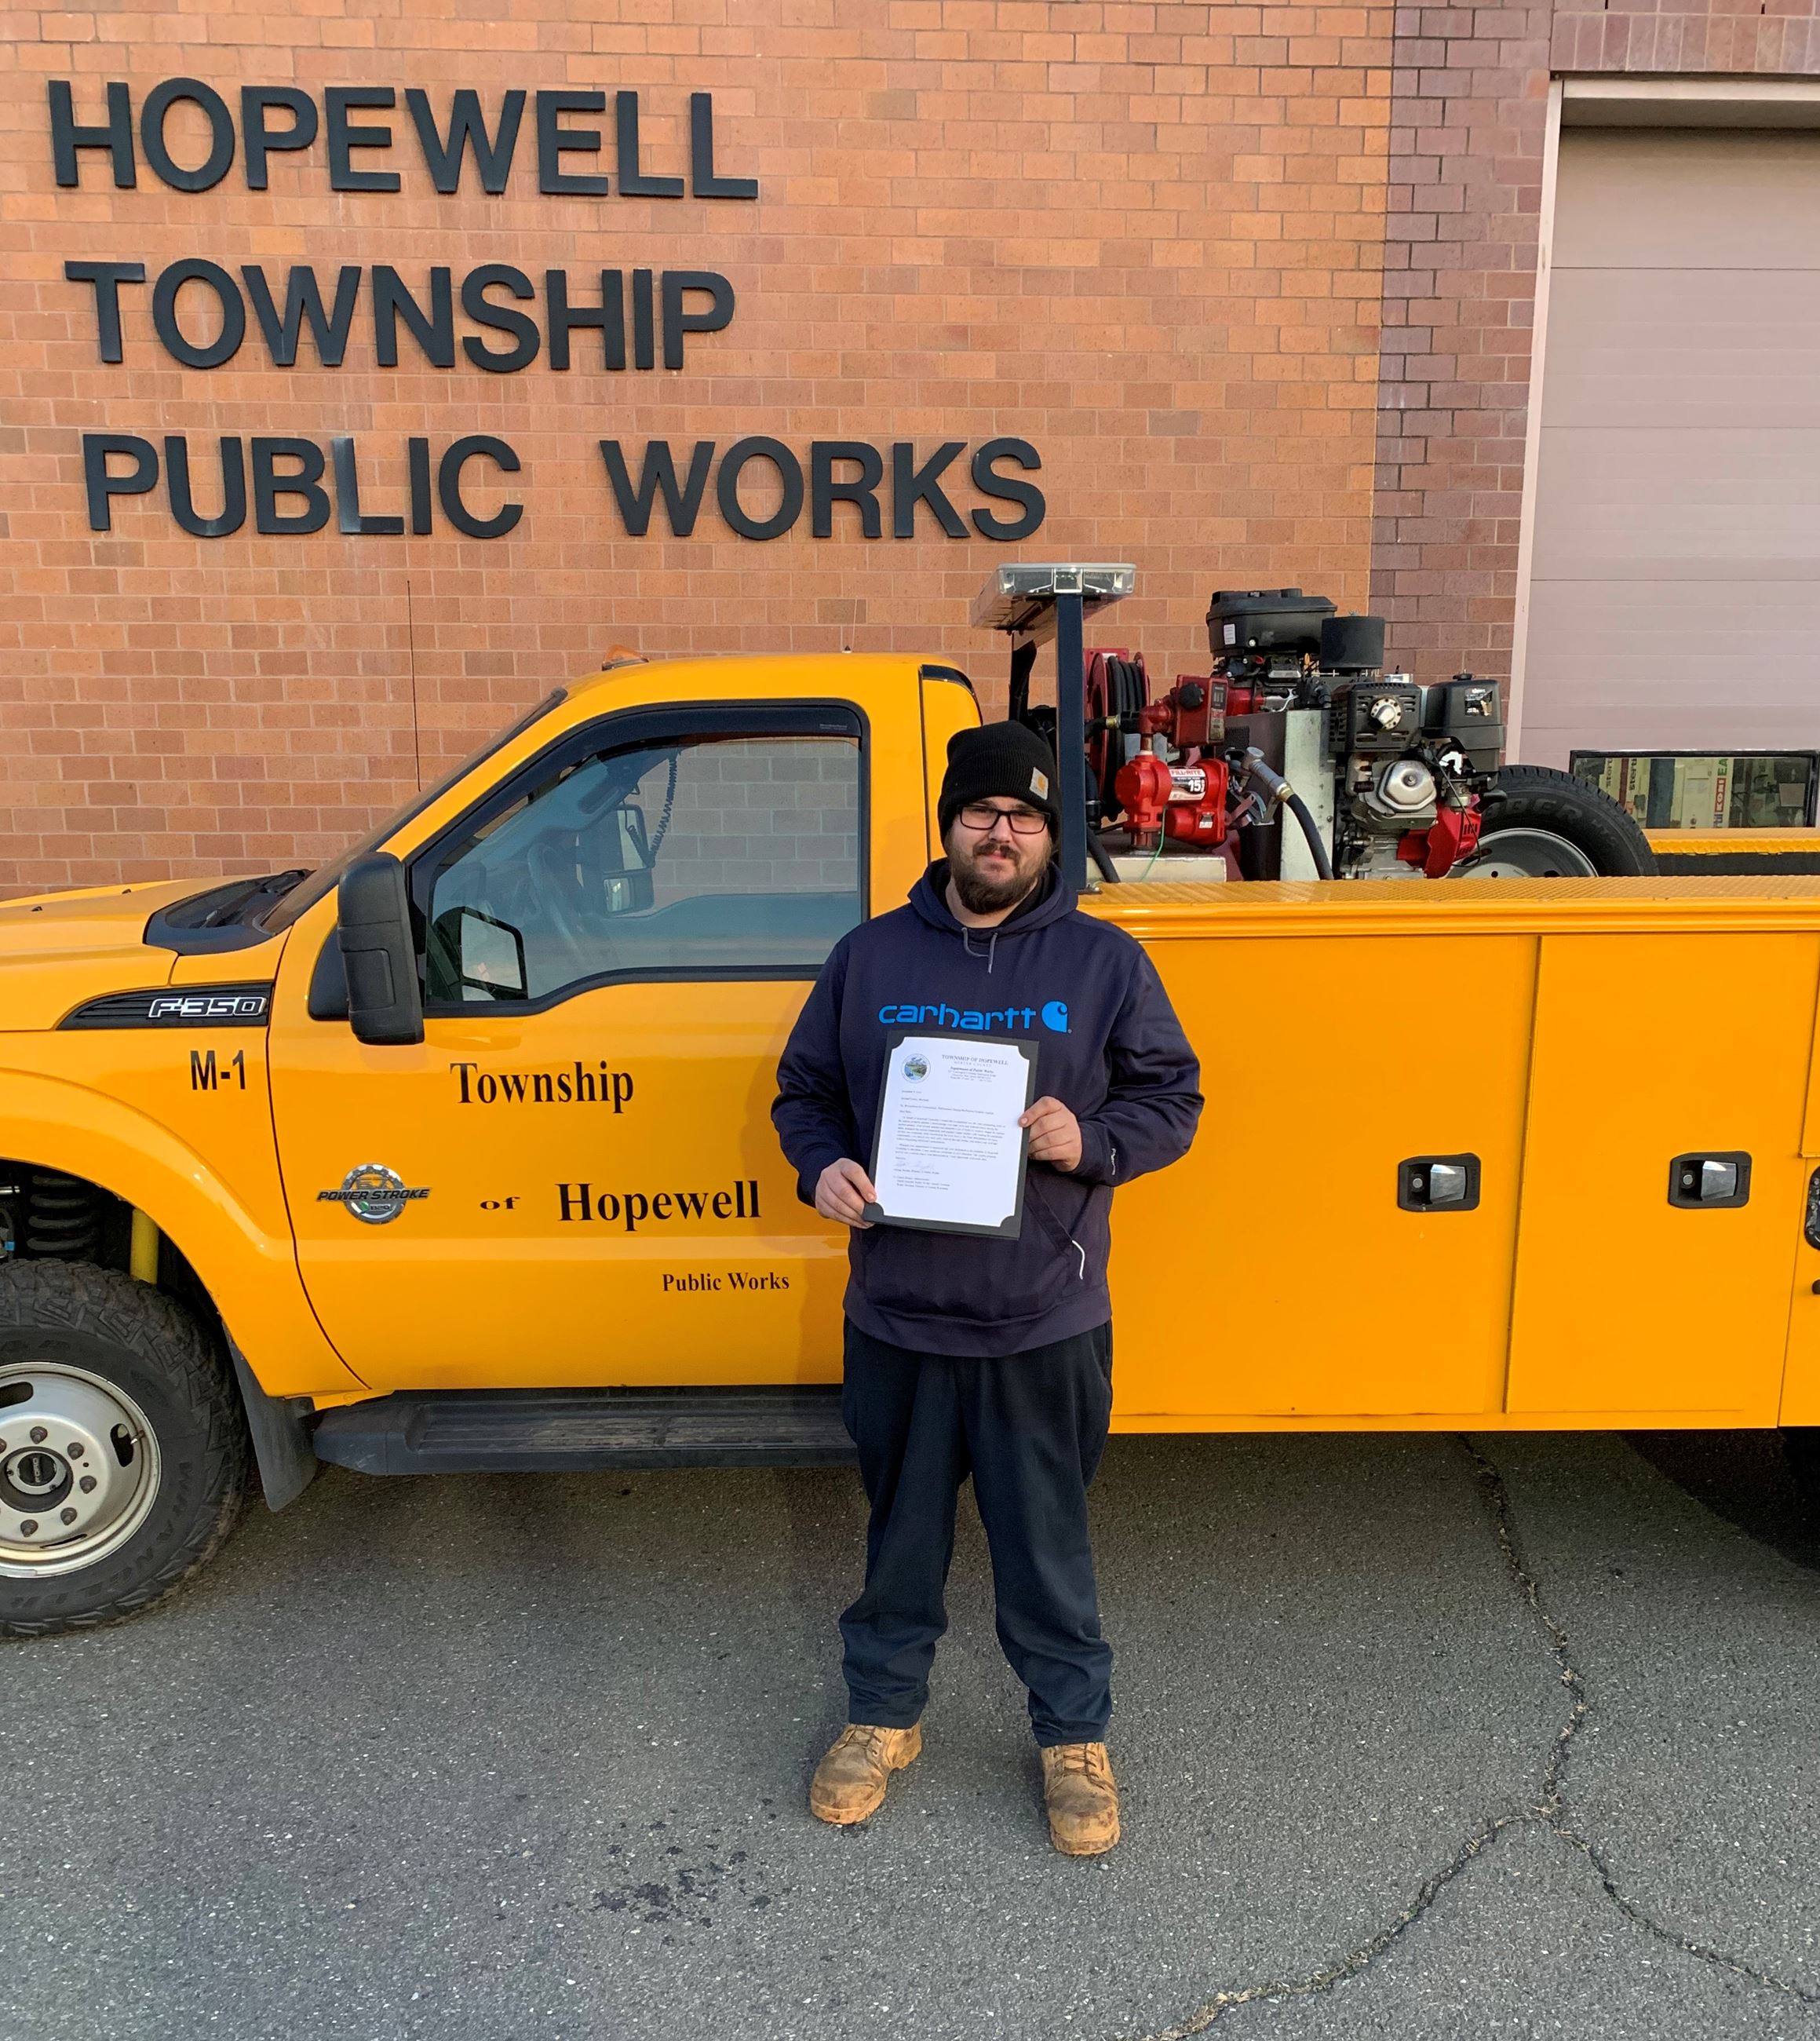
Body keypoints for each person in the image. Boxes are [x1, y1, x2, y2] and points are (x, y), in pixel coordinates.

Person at [771, 719, 1203, 1856]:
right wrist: (822, 1164)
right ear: (950, 828)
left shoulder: (1104, 964)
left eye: (1022, 817)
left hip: (1041, 1316)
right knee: (899, 1538)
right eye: (980, 814)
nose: (999, 833)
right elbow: (804, 1091)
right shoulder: (870, 957)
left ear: (1050, 836)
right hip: (899, 1315)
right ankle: (882, 1716)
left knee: (1045, 1541)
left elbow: (1173, 1100)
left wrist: (1092, 1139)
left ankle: (1072, 1734)